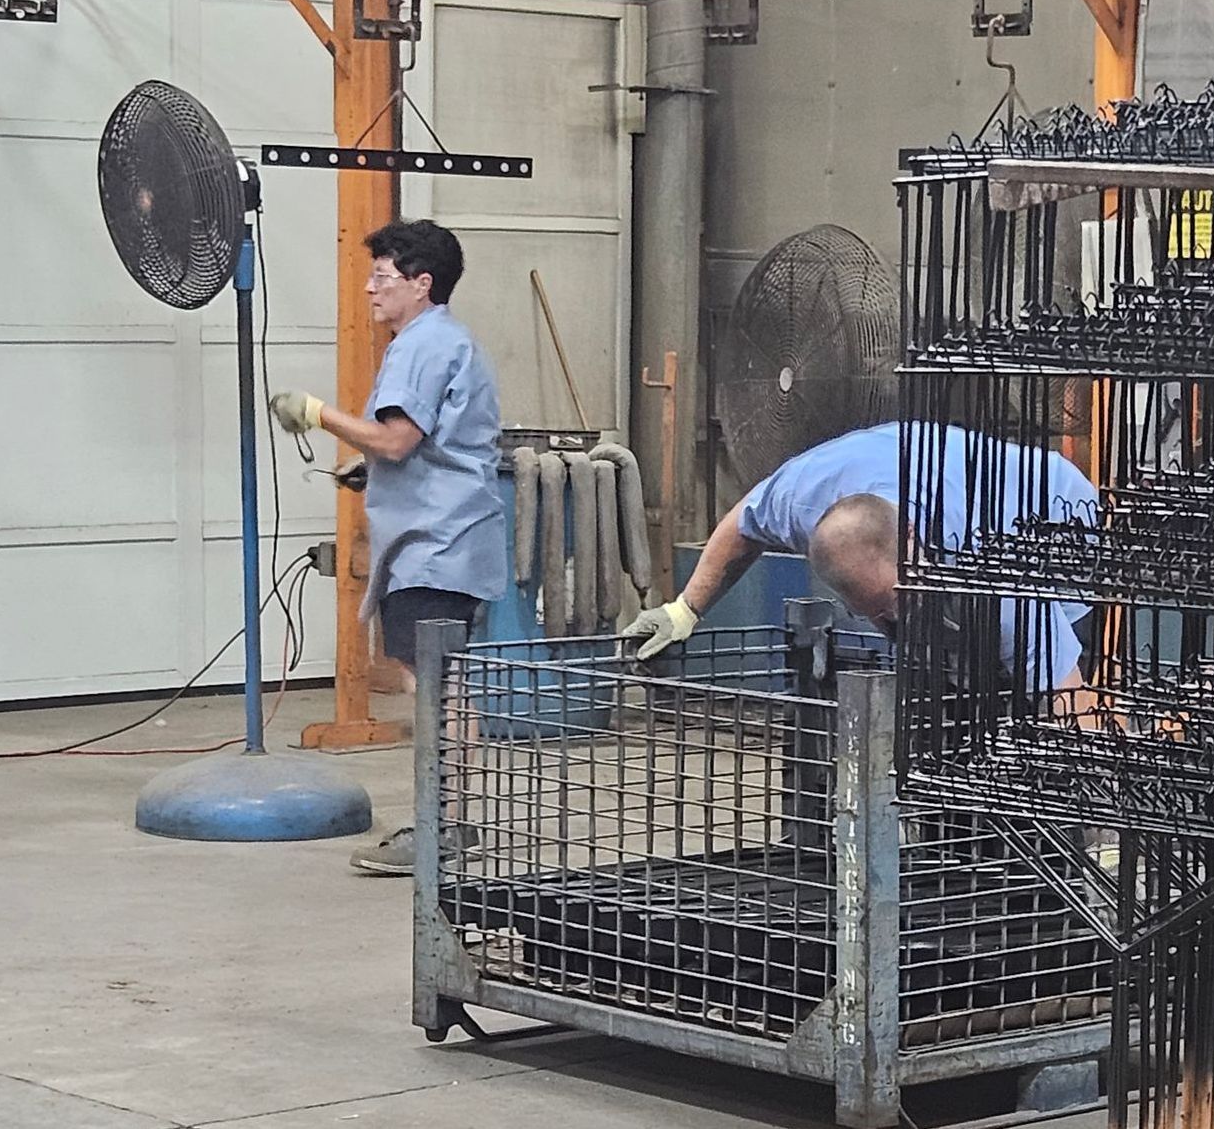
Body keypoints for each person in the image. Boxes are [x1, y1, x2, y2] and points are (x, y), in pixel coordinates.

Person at [270, 219, 504, 875]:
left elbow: (398, 439)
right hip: (444, 537)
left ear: (421, 282)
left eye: (383, 276)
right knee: (437, 677)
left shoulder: (422, 345)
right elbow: (420, 444)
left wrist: (318, 413)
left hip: (437, 540)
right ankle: (446, 821)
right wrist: (369, 467)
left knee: (436, 683)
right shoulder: (443, 342)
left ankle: (444, 827)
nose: (371, 287)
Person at [621, 421, 1096, 699]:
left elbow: (1067, 692)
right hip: (931, 490)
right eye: (878, 616)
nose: (891, 623)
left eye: (896, 605)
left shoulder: (987, 564)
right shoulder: (800, 501)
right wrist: (683, 611)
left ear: (910, 538)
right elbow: (740, 526)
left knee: (1022, 692)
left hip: (1056, 515)